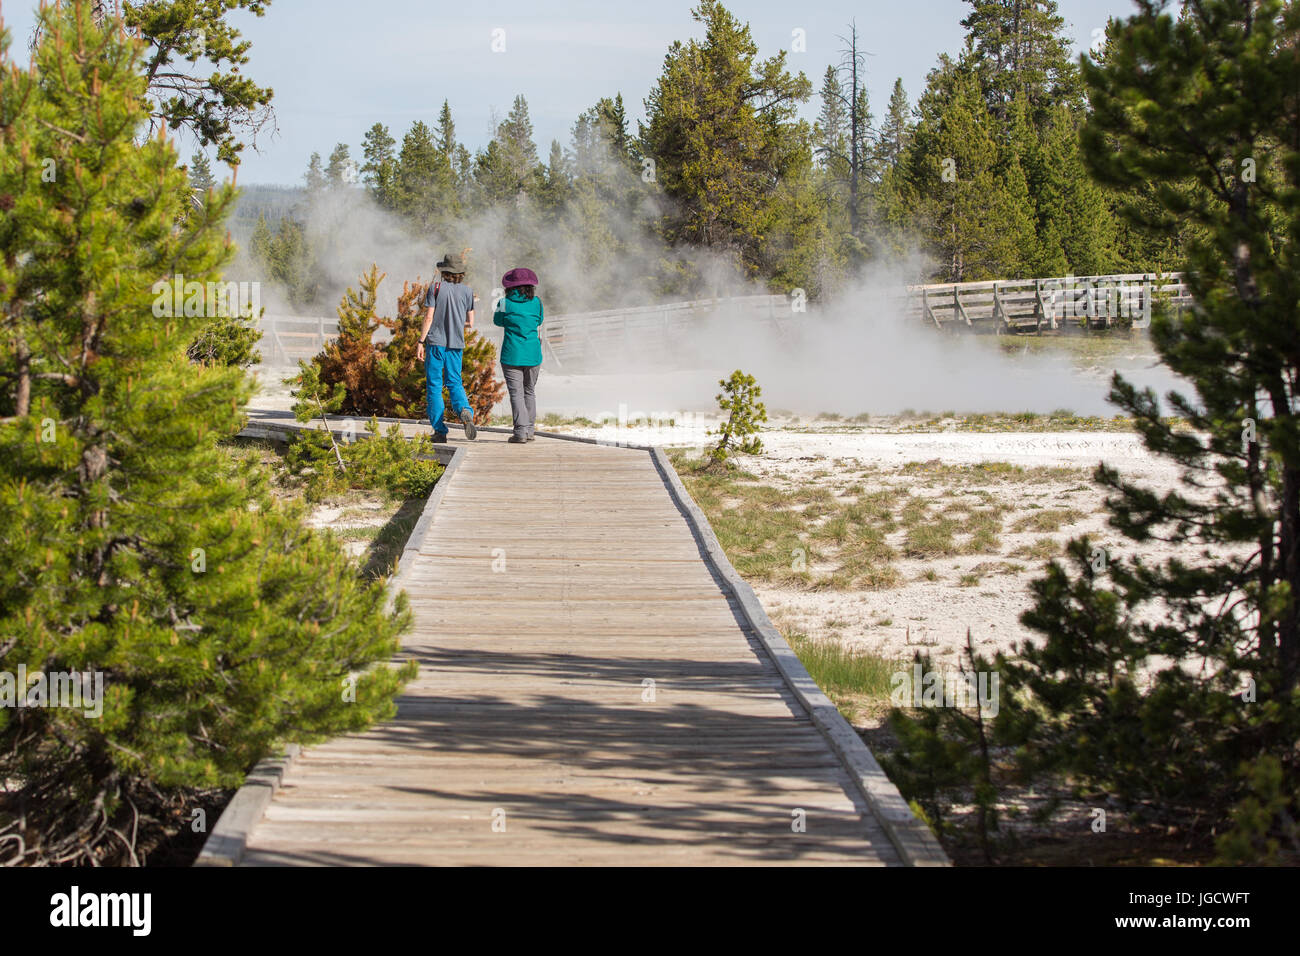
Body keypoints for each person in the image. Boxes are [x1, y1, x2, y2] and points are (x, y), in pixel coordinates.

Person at [417, 252, 478, 443]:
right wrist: (456, 321)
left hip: (436, 343)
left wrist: (420, 342)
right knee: (454, 382)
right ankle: (465, 411)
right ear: (460, 273)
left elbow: (428, 317)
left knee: (434, 386)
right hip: (456, 344)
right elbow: (470, 322)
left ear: (443, 271)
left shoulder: (435, 288)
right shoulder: (468, 292)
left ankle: (440, 431)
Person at [493, 267, 544, 444]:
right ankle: (529, 430)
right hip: (533, 354)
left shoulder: (504, 303)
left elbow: (497, 321)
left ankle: (520, 432)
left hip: (512, 354)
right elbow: (539, 320)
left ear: (510, 287)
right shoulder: (537, 302)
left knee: (516, 393)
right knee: (530, 391)